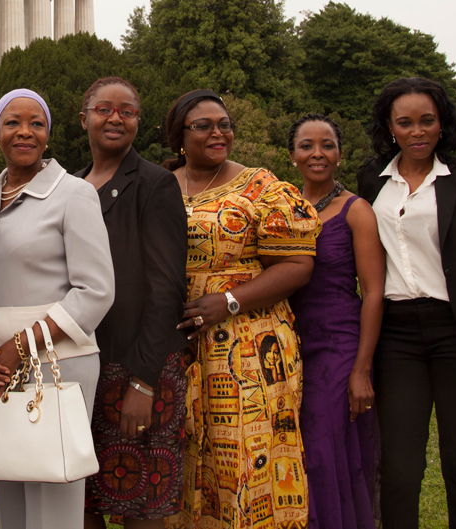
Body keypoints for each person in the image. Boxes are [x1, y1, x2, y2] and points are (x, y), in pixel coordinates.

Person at [356, 77, 456, 529]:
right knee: (401, 467)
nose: (417, 131)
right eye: (405, 123)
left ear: (442, 122)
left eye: (427, 120)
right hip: (397, 334)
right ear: (390, 128)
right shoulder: (373, 177)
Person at [162, 89, 320, 529]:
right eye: (204, 125)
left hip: (248, 346)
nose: (218, 133)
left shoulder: (261, 187)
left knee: (248, 459)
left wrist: (228, 301)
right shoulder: (158, 184)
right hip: (176, 345)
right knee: (184, 456)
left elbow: (298, 264)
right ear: (179, 136)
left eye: (225, 124)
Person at [0, 88, 115, 529]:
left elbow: (96, 290)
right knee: (6, 479)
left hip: (56, 362)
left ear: (48, 135)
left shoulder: (74, 195)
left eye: (36, 123)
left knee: (53, 499)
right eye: (12, 122)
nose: (24, 132)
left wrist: (20, 347)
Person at [75, 78, 190, 529]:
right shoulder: (71, 184)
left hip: (140, 364)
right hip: (82, 366)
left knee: (140, 504)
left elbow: (167, 288)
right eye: (104, 108)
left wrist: (143, 383)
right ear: (84, 117)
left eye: (128, 111)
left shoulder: (154, 184)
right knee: (81, 500)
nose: (116, 118)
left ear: (139, 122)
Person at [286, 113, 384, 529]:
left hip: (339, 345)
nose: (317, 153)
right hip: (289, 343)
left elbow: (374, 292)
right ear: (292, 156)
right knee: (296, 449)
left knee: (326, 451)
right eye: (307, 145)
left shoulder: (357, 211)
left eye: (327, 145)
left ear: (340, 155)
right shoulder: (283, 204)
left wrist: (362, 370)